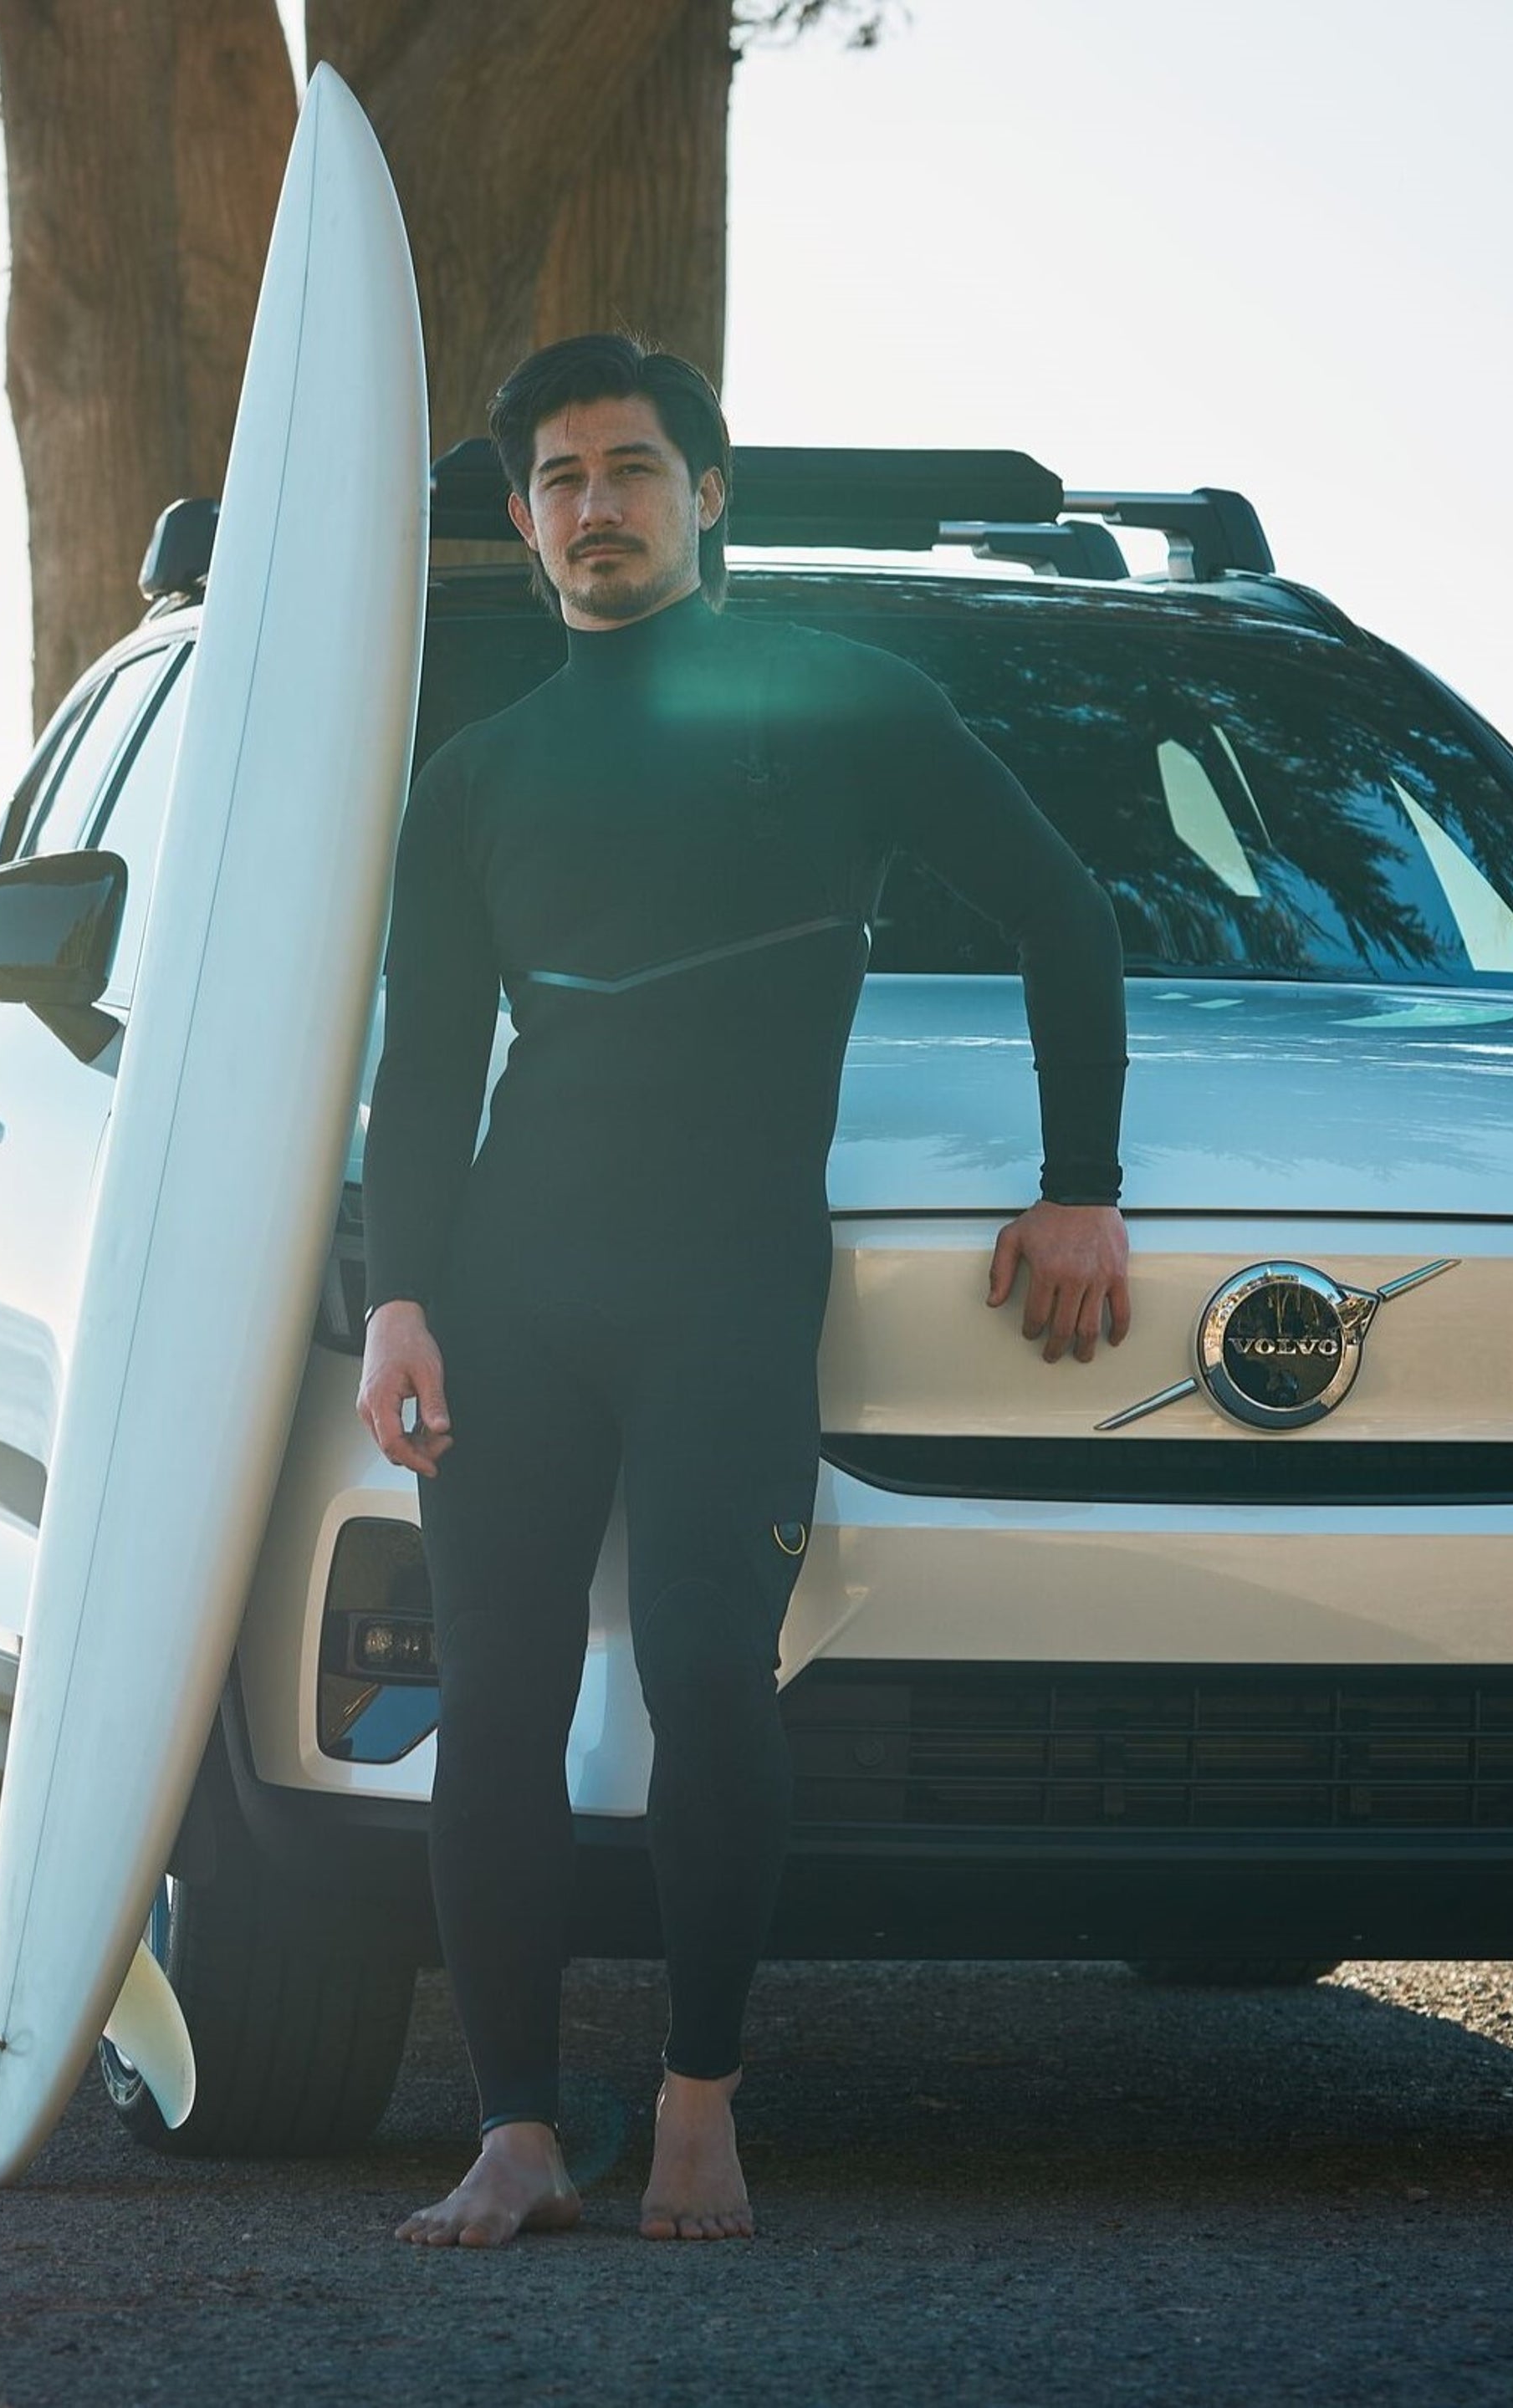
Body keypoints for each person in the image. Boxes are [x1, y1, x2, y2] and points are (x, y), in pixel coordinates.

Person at [358, 334, 1130, 2247]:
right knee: (503, 1693)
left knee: (713, 1676)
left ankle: (701, 2101)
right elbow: (429, 1063)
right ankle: (520, 2131)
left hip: (726, 1279)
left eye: (632, 467)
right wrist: (402, 1299)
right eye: (558, 477)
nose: (595, 503)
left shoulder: (847, 705)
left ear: (711, 495)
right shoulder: (475, 778)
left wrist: (1080, 1191)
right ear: (527, 519)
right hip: (520, 1287)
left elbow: (1067, 915)